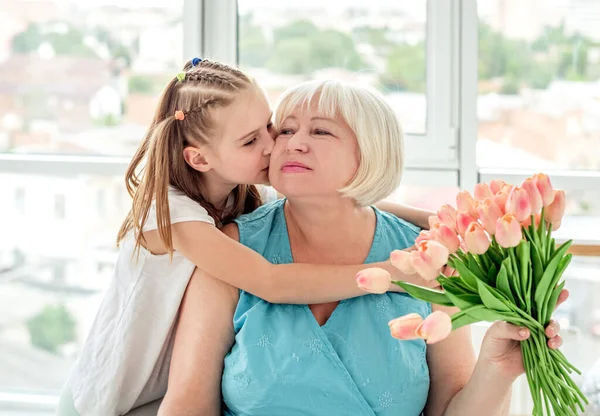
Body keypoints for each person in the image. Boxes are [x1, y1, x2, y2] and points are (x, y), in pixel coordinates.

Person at [159, 79, 565, 416]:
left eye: (320, 131)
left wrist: (496, 369)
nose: (292, 144)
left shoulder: (429, 256)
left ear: (370, 152)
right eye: (285, 129)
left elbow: (451, 409)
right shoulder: (232, 250)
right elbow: (186, 406)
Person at [56, 59, 435, 416]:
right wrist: (389, 275)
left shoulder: (239, 193)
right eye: (252, 140)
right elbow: (271, 281)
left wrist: (434, 221)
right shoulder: (174, 215)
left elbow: (346, 194)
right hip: (113, 395)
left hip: (166, 382)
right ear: (200, 159)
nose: (276, 145)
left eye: (271, 127)